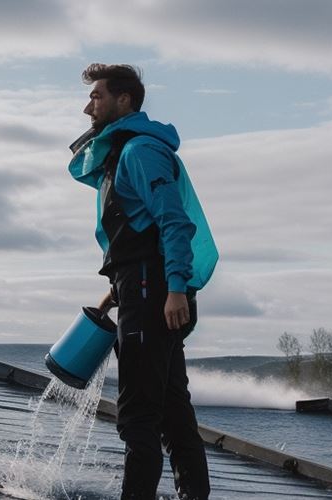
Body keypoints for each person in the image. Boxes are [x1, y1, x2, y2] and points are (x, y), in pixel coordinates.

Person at [67, 64, 218, 500]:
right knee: (172, 412)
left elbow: (174, 222)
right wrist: (116, 292)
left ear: (124, 100)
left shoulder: (140, 151)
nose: (88, 108)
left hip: (156, 294)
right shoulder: (122, 153)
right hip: (145, 289)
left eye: (96, 97)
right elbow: (139, 237)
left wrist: (174, 289)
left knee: (138, 418)